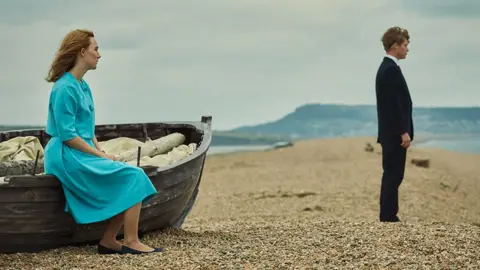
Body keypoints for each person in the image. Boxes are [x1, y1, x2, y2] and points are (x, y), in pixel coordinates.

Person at [44, 29, 162, 254]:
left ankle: (109, 240)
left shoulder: (82, 85)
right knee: (134, 175)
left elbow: (85, 129)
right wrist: (99, 156)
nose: (99, 54)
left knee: (124, 177)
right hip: (65, 156)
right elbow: (68, 135)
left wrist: (101, 149)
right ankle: (131, 241)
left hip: (79, 151)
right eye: (95, 49)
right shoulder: (64, 88)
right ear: (81, 52)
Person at [375, 26, 414, 222]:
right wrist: (403, 132)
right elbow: (394, 106)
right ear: (395, 46)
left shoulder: (389, 68)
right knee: (393, 174)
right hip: (394, 134)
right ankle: (388, 216)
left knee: (393, 174)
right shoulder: (389, 70)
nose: (408, 49)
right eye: (405, 45)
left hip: (392, 133)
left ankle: (389, 214)